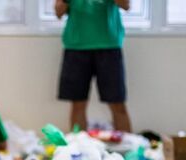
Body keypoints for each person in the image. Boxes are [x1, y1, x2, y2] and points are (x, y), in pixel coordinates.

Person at [56, 0, 132, 133]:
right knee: (77, 104)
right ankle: (78, 149)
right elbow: (58, 12)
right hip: (76, 47)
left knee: (117, 104)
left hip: (109, 46)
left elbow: (126, 5)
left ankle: (129, 152)